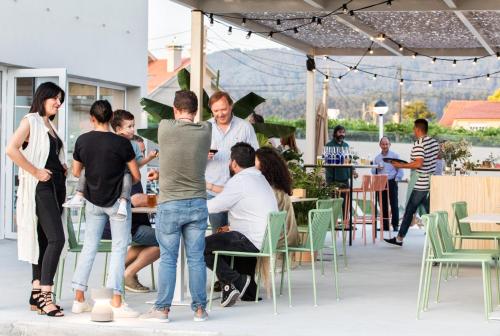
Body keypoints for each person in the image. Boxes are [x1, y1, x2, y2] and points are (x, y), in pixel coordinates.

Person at [141, 90, 211, 322]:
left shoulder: (165, 127)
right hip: (198, 202)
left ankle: (162, 310)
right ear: (196, 111)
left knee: (169, 258)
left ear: (174, 109)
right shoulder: (205, 131)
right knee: (196, 258)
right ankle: (200, 310)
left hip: (170, 203)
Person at [71, 100, 141, 318]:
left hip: (93, 201)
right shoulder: (122, 144)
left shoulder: (82, 141)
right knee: (119, 249)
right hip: (117, 204)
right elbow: (136, 175)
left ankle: (79, 299)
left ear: (92, 119)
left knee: (89, 247)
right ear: (111, 118)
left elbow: (76, 172)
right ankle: (116, 301)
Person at [6, 82, 67, 317]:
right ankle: (46, 296)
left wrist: (61, 165)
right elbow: (11, 149)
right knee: (56, 239)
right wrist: (35, 171)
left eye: (60, 100)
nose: (58, 103)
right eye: (55, 99)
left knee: (43, 239)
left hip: (55, 186)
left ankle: (35, 291)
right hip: (41, 187)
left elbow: (48, 153)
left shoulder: (49, 124)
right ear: (43, 97)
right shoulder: (30, 120)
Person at [205, 142, 278, 307]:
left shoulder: (240, 181)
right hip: (265, 240)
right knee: (224, 240)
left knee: (199, 245)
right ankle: (247, 290)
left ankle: (236, 281)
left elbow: (215, 206)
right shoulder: (260, 178)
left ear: (233, 163)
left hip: (250, 240)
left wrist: (190, 207)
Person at [63, 110, 157, 215]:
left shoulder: (133, 145)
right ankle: (78, 195)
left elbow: (137, 166)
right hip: (108, 180)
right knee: (87, 171)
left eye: (133, 126)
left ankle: (123, 201)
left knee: (126, 176)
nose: (133, 130)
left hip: (123, 179)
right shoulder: (110, 141)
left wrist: (148, 158)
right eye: (129, 127)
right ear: (118, 129)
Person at [206, 91, 259, 233]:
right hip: (212, 192)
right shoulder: (204, 128)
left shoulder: (245, 127)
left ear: (231, 106)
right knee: (218, 235)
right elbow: (192, 159)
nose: (220, 114)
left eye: (223, 109)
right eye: (216, 110)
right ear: (211, 110)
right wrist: (202, 156)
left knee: (239, 233)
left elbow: (255, 158)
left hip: (239, 192)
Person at [384, 119, 439, 246]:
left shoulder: (419, 144)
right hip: (430, 181)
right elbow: (433, 159)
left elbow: (419, 163)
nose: (413, 131)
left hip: (420, 182)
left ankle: (400, 238)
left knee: (411, 209)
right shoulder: (434, 143)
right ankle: (400, 238)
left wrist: (400, 166)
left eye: (414, 128)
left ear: (418, 129)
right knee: (427, 210)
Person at [101, 183, 160, 293]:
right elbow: (137, 200)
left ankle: (117, 271)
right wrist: (166, 198)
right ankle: (128, 274)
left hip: (108, 226)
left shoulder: (111, 173)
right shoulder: (128, 173)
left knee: (148, 242)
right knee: (167, 240)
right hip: (127, 228)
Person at [255, 147, 299, 247]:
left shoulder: (268, 191)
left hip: (278, 239)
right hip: (289, 236)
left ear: (264, 164)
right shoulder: (279, 188)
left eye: (255, 161)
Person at [371, 137, 404, 231]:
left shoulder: (395, 156)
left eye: (386, 144)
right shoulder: (377, 158)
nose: (385, 146)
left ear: (390, 144)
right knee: (382, 204)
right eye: (383, 144)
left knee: (394, 204)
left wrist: (397, 179)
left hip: (391, 181)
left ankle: (395, 225)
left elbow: (400, 169)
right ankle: (385, 226)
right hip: (381, 181)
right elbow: (373, 171)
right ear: (380, 145)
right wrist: (377, 168)